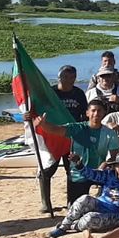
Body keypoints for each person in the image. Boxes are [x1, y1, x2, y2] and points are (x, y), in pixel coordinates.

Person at [33, 99, 119, 205]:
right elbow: (55, 129)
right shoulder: (77, 128)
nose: (96, 114)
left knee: (107, 202)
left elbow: (113, 156)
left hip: (98, 173)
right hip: (78, 174)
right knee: (74, 208)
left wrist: (104, 165)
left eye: (99, 111)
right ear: (87, 113)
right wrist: (43, 125)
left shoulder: (110, 133)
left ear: (104, 113)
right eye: (93, 111)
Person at [45, 154, 119, 238]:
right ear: (115, 166)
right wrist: (79, 165)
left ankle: (73, 225)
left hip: (118, 212)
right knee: (84, 198)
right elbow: (92, 174)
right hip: (101, 203)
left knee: (90, 218)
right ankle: (63, 227)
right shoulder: (109, 174)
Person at [35, 64, 89, 213]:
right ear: (59, 77)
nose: (69, 80)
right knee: (47, 170)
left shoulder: (78, 94)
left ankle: (71, 201)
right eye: (66, 76)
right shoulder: (50, 93)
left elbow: (84, 116)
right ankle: (46, 203)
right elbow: (38, 109)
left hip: (71, 137)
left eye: (72, 77)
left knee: (71, 170)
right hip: (52, 136)